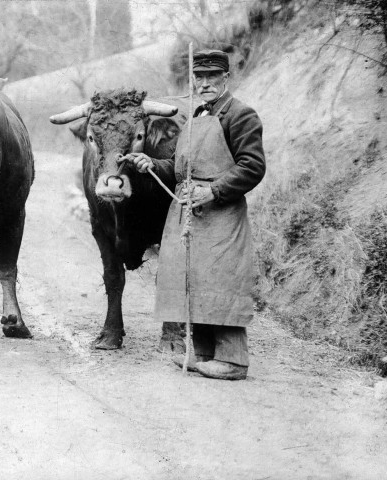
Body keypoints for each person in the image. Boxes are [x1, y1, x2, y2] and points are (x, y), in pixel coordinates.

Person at [123, 49, 266, 380]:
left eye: (212, 77)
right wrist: (151, 165)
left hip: (221, 214)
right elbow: (177, 168)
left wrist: (213, 191)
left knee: (220, 279)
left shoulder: (241, 116)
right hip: (189, 210)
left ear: (226, 78)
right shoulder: (196, 117)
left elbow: (253, 166)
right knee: (194, 279)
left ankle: (233, 360)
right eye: (199, 78)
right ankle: (203, 353)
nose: (204, 84)